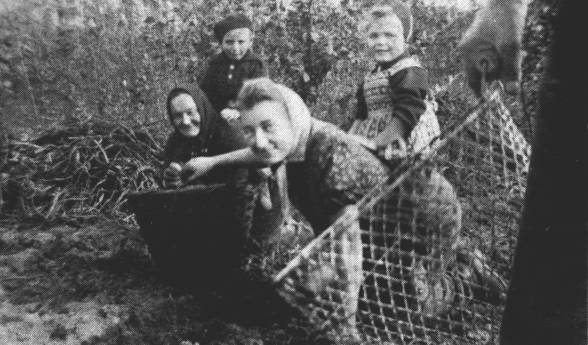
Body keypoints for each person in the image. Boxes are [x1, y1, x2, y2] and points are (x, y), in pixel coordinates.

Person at [182, 78, 496, 342]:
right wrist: (213, 162)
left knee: (410, 306)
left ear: (293, 118)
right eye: (249, 131)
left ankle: (467, 275)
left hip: (421, 222)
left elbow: (347, 248)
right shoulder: (292, 142)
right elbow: (261, 151)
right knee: (352, 292)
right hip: (377, 230)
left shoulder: (330, 157)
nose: (259, 141)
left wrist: (345, 328)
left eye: (268, 127)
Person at [349, 1, 440, 159]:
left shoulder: (409, 71)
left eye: (389, 35)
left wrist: (377, 144)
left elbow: (407, 115)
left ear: (404, 39)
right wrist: (347, 141)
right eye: (373, 36)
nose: (380, 42)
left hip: (401, 147)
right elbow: (361, 116)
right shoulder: (371, 76)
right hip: (373, 144)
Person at [200, 13, 268, 121]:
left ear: (250, 42)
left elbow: (260, 96)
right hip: (219, 115)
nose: (235, 48)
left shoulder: (255, 64)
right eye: (229, 42)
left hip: (248, 116)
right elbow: (206, 93)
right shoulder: (216, 64)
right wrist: (220, 110)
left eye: (241, 42)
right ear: (221, 43)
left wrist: (239, 111)